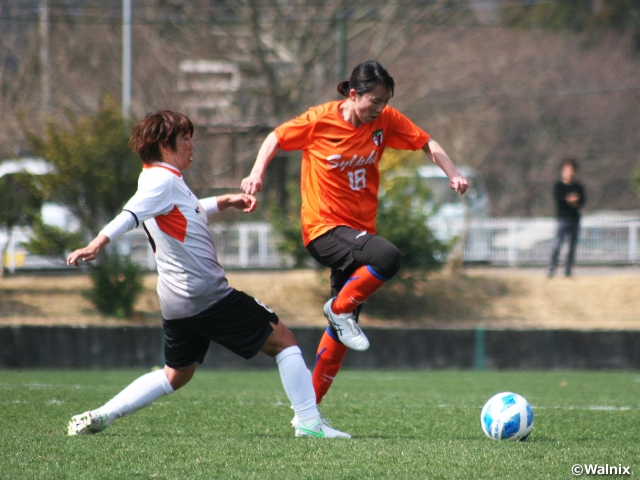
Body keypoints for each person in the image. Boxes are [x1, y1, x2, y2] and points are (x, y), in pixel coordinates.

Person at [66, 110, 350, 439]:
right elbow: (130, 214)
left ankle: (101, 414)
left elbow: (181, 209)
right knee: (283, 341)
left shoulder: (159, 177)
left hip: (177, 301)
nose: (192, 144)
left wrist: (223, 201)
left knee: (176, 375)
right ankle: (309, 423)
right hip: (204, 294)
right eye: (185, 138)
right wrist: (98, 242)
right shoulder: (162, 181)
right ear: (164, 145)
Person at [241, 61, 469, 409]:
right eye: (375, 101)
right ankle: (338, 309)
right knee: (388, 257)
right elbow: (276, 136)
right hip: (324, 229)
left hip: (359, 232)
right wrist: (257, 174)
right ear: (353, 94)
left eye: (385, 101)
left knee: (340, 338)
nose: (380, 108)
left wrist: (452, 173)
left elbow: (427, 142)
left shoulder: (385, 121)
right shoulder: (319, 120)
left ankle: (308, 415)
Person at [547, 157, 585, 278]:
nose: (569, 172)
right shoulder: (559, 186)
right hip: (562, 219)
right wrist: (571, 200)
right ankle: (551, 269)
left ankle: (568, 270)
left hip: (575, 219)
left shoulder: (578, 187)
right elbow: (560, 200)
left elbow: (582, 201)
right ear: (562, 171)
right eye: (567, 169)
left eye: (571, 169)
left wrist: (573, 200)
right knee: (557, 245)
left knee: (572, 247)